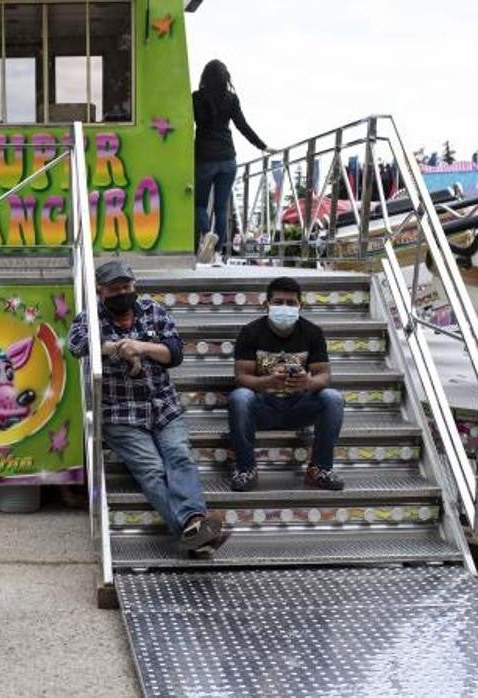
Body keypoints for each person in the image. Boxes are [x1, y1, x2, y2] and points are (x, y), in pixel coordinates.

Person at [68, 260, 228, 556]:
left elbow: (175, 353)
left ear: (135, 286)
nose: (122, 293)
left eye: (126, 287)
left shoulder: (154, 311)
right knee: (153, 470)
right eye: (114, 289)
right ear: (101, 291)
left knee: (179, 457)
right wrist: (117, 346)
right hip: (121, 414)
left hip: (163, 406)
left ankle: (193, 524)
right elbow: (77, 345)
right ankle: (194, 528)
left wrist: (140, 347)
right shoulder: (89, 317)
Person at [228, 276, 345, 492]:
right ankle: (246, 469)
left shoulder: (313, 333)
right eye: (279, 302)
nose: (285, 307)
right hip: (263, 408)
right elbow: (241, 377)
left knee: (333, 398)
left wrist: (308, 382)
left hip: (298, 407)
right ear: (267, 305)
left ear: (301, 306)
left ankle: (320, 468)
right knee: (239, 397)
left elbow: (324, 375)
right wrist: (267, 382)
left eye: (291, 303)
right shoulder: (250, 332)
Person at [193, 59, 276, 263]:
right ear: (225, 77)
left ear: (204, 77)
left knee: (199, 204)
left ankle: (206, 234)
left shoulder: (196, 98)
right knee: (221, 208)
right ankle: (219, 254)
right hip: (228, 159)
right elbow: (242, 126)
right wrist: (263, 146)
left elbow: (185, 124)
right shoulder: (231, 99)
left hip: (204, 158)